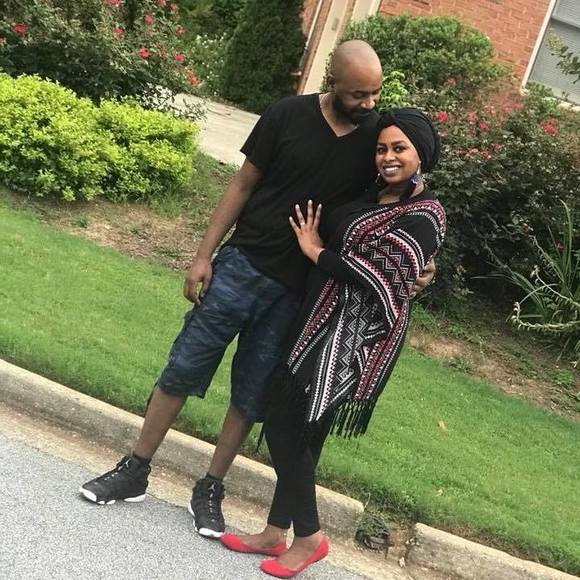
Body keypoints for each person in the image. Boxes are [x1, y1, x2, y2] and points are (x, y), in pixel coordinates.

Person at [78, 40, 435, 538]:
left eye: (374, 93)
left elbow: (403, 198)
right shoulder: (286, 115)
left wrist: (425, 261)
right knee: (184, 366)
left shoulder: (374, 138)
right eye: (359, 94)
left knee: (251, 394)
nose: (369, 103)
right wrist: (203, 254)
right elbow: (242, 184)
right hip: (242, 265)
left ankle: (210, 488)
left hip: (297, 293)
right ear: (333, 82)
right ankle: (134, 468)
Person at [219, 108, 446, 578]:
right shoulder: (373, 194)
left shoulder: (425, 214)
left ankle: (309, 538)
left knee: (286, 426)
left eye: (399, 148)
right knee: (299, 429)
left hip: (354, 339)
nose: (387, 157)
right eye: (382, 148)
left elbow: (381, 276)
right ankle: (275, 531)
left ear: (421, 155)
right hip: (317, 322)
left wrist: (316, 251)